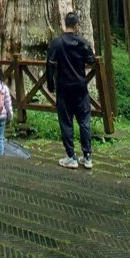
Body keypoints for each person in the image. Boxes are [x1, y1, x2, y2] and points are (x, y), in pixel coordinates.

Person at [46, 11, 95, 169]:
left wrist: (50, 85)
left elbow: (50, 65)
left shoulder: (57, 43)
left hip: (64, 88)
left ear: (64, 24)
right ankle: (87, 157)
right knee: (84, 121)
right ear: (76, 25)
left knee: (66, 122)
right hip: (80, 87)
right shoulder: (82, 42)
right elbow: (91, 60)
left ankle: (71, 156)